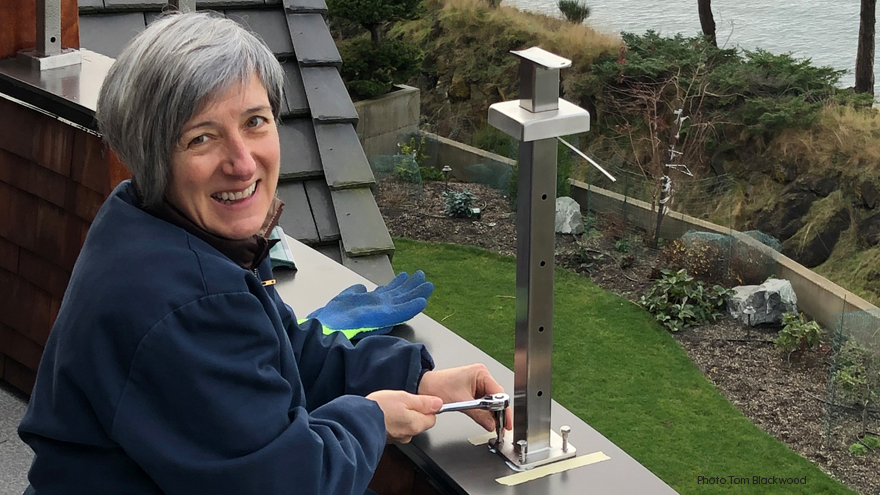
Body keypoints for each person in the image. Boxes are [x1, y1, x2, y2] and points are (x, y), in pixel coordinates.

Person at [18, 12, 509, 495]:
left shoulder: (151, 223)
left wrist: (417, 378)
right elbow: (294, 481)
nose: (242, 162)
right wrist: (371, 417)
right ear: (151, 155)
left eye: (255, 122)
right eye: (202, 137)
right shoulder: (191, 303)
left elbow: (280, 353)